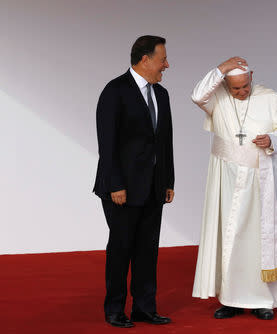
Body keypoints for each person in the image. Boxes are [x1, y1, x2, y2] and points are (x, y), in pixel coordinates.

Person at [191, 57, 277, 320]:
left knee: (258, 239)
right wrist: (221, 68)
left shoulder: (270, 97)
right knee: (230, 236)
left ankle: (263, 300)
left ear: (252, 77)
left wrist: (271, 139)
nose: (241, 92)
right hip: (226, 179)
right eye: (235, 88)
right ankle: (231, 300)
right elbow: (196, 96)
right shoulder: (219, 98)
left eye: (245, 86)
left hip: (260, 178)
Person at [93, 35, 174, 327]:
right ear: (145, 60)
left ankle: (144, 307)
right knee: (121, 248)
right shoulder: (115, 91)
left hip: (153, 187)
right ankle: (115, 309)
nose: (167, 64)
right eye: (162, 59)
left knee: (147, 250)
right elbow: (107, 143)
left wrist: (168, 180)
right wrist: (115, 184)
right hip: (121, 189)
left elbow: (165, 142)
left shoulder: (161, 94)